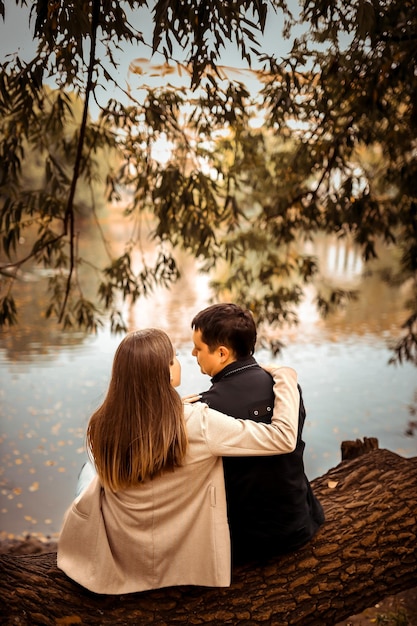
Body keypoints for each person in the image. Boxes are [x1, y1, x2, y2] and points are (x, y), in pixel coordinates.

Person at [57, 328, 300, 594]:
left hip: (123, 549)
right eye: (174, 358)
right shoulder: (198, 422)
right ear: (167, 372)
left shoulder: (101, 423)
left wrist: (167, 411)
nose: (182, 360)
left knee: (89, 468)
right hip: (173, 551)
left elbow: (138, 441)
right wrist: (286, 377)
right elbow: (283, 438)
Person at [191, 303, 325, 565]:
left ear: (221, 353)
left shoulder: (205, 409)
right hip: (300, 523)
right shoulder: (286, 387)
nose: (193, 353)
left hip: (246, 543)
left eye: (198, 347)